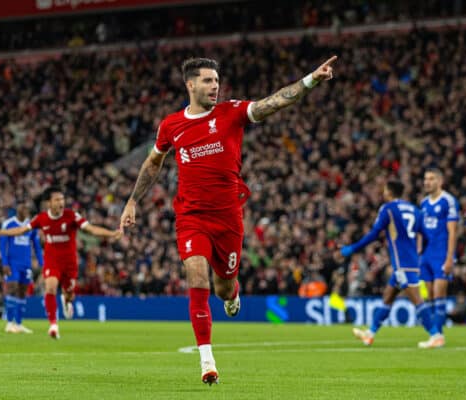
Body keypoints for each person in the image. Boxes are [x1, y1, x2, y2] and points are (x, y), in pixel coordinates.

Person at [119, 56, 337, 384]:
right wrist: (132, 201)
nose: (215, 86)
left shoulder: (230, 112)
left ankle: (232, 293)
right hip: (191, 216)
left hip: (228, 218)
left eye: (216, 80)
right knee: (196, 275)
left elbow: (270, 104)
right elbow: (153, 163)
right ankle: (207, 362)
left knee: (222, 288)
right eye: (207, 81)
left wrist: (310, 80)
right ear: (190, 84)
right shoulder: (171, 125)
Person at [0, 187, 121, 339]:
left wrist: (111, 233)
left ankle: (67, 301)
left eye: (62, 199)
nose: (61, 202)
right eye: (57, 199)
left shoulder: (71, 216)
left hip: (70, 263)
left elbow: (91, 229)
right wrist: (1, 232)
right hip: (52, 261)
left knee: (69, 294)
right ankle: (53, 324)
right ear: (49, 203)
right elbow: (21, 230)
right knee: (50, 288)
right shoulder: (41, 218)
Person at [340, 180, 442, 348]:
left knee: (417, 299)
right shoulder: (415, 210)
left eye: (385, 190)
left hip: (402, 263)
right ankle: (370, 334)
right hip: (410, 262)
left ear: (389, 192)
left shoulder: (388, 209)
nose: (383, 192)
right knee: (388, 296)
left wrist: (353, 248)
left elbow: (374, 234)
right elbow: (427, 237)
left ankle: (435, 334)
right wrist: (417, 254)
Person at [419, 168, 459, 345]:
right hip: (426, 255)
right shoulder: (423, 203)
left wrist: (450, 257)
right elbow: (420, 231)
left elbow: (453, 232)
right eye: (426, 179)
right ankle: (435, 334)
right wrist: (418, 252)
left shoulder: (448, 201)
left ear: (440, 181)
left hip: (442, 254)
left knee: (439, 294)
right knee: (429, 296)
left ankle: (438, 335)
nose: (427, 182)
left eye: (431, 179)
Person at [0, 202, 44, 334]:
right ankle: (9, 322)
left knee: (23, 292)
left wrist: (42, 263)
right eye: (22, 207)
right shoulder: (8, 224)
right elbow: (3, 245)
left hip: (26, 264)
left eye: (26, 208)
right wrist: (5, 263)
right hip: (13, 263)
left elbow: (36, 246)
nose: (25, 210)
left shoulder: (31, 226)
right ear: (17, 209)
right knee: (12, 288)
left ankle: (18, 323)